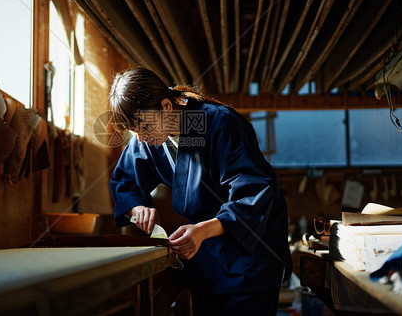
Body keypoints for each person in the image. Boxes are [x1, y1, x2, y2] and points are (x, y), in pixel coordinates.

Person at [108, 67, 292, 315]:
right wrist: (137, 208)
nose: (140, 138)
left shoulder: (218, 123)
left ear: (165, 105)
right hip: (206, 259)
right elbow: (124, 181)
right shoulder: (151, 137)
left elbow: (253, 191)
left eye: (143, 127)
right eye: (133, 131)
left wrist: (202, 230)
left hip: (250, 256)